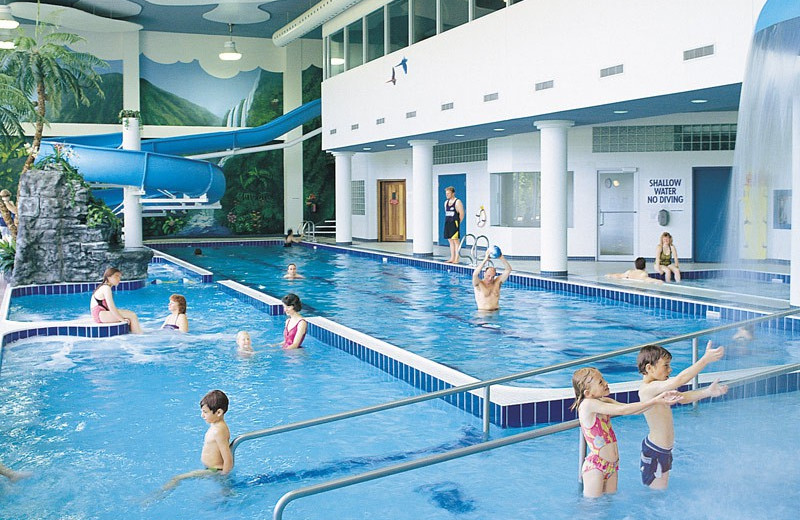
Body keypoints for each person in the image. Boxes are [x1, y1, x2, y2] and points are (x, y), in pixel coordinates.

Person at [571, 367, 680, 498]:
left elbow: (633, 410)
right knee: (591, 509)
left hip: (612, 465)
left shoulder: (603, 401)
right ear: (587, 393)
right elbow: (623, 410)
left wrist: (659, 399)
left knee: (607, 503)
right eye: (600, 382)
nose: (606, 383)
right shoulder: (588, 404)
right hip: (596, 466)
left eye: (603, 379)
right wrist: (655, 400)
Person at [637, 341, 728, 490]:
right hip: (655, 451)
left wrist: (707, 392)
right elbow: (679, 380)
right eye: (665, 365)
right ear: (649, 368)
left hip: (663, 450)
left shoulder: (658, 388)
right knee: (655, 494)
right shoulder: (648, 389)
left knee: (660, 491)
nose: (670, 369)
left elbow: (683, 397)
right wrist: (704, 360)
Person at [162, 389, 233, 490]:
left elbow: (228, 460)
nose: (202, 415)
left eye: (205, 412)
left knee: (177, 479)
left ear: (218, 412)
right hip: (211, 469)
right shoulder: (215, 425)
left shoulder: (219, 431)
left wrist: (224, 478)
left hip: (214, 471)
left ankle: (151, 499)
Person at [90, 267, 143, 333]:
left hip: (100, 314)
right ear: (108, 277)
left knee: (129, 313)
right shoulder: (106, 288)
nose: (119, 279)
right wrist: (122, 320)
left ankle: (136, 332)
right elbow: (111, 307)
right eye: (116, 276)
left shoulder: (104, 287)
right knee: (132, 315)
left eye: (119, 277)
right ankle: (139, 335)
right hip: (100, 315)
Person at [443, 186, 465, 264]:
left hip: (454, 223)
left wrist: (458, 224)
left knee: (456, 241)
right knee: (450, 241)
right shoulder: (446, 202)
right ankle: (452, 258)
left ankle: (457, 258)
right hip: (447, 223)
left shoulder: (457, 202)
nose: (447, 195)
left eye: (448, 193)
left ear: (453, 193)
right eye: (446, 193)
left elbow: (462, 214)